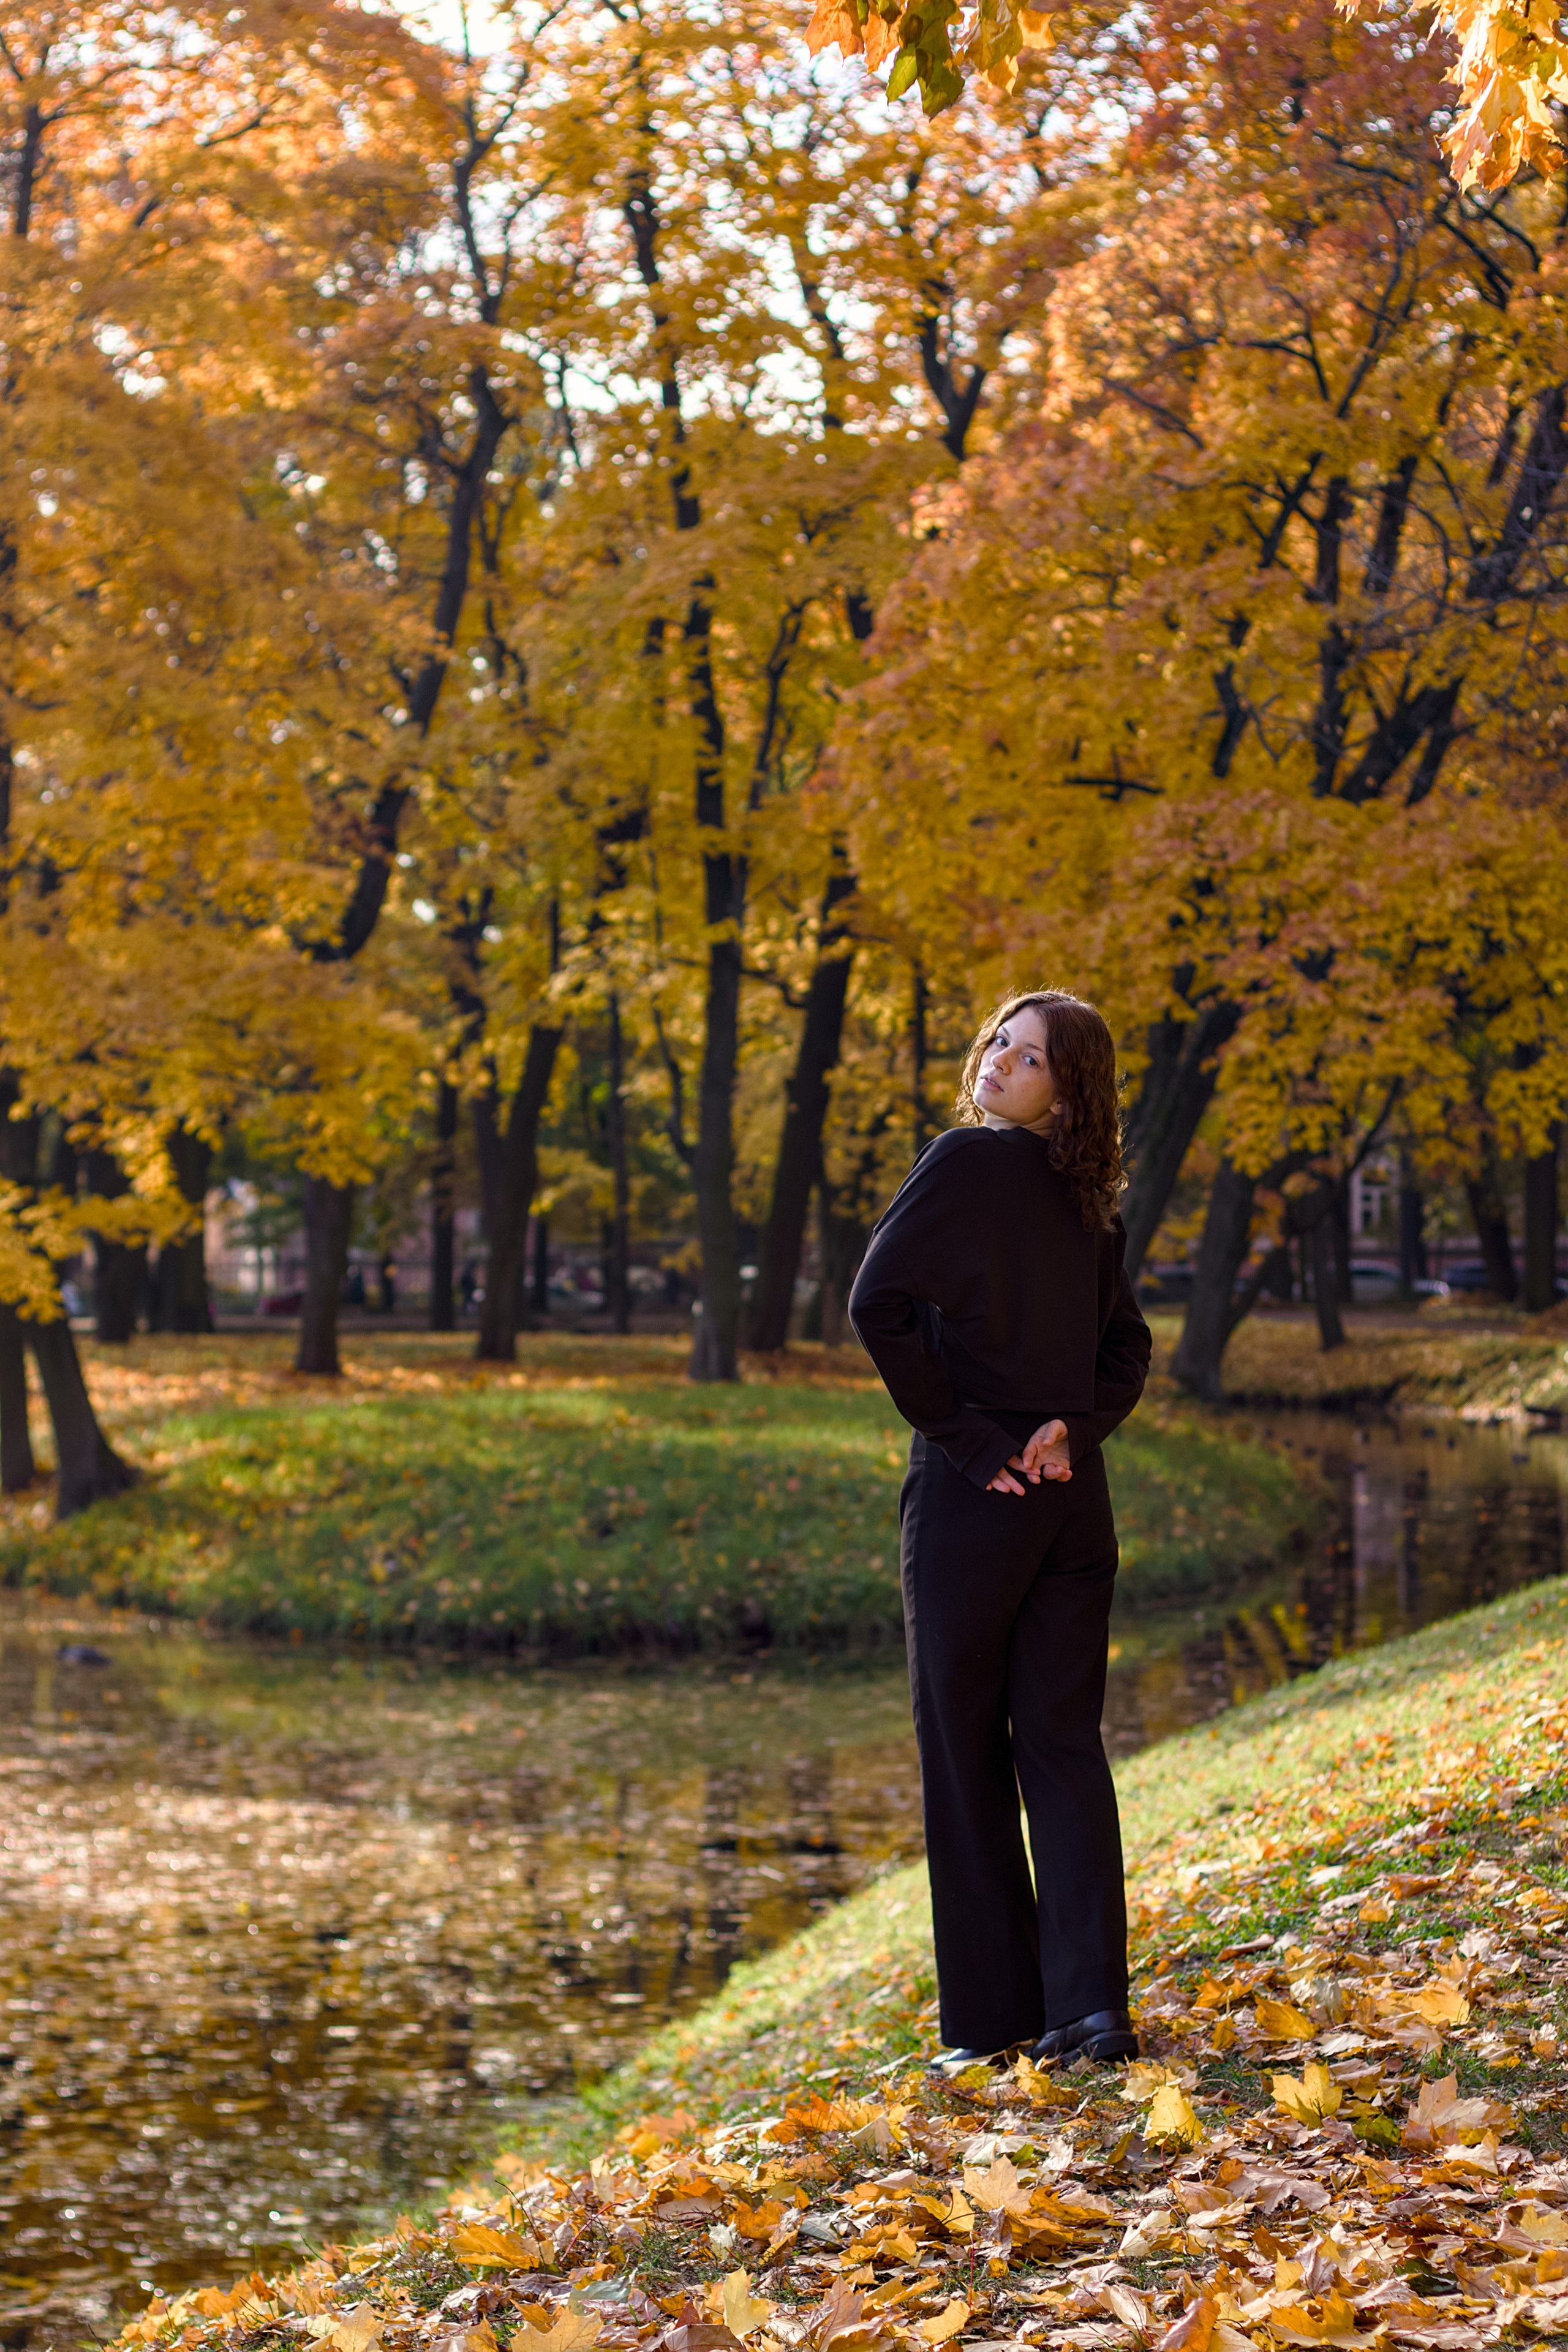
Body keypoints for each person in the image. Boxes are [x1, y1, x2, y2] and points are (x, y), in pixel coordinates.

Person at [848, 989, 1152, 2075]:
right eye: (999, 1044)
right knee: (1064, 1748)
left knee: (964, 1751)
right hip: (1073, 1495)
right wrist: (1078, 1428)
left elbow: (873, 1303)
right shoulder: (1093, 1201)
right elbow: (1128, 1353)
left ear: (1065, 1091)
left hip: (985, 1500)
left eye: (1029, 1059)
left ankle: (992, 2026)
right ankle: (1093, 2010)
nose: (1001, 1064)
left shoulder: (964, 1163)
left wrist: (974, 1444)